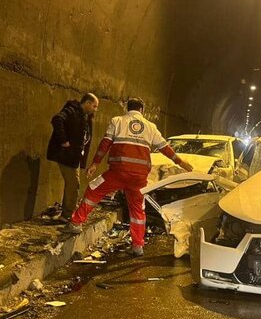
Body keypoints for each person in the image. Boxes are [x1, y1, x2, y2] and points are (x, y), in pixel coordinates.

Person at [59, 97, 193, 256]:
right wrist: (180, 162)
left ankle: (76, 223)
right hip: (139, 177)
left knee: (93, 190)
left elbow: (105, 144)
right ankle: (138, 246)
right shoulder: (151, 127)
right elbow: (165, 148)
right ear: (142, 110)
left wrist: (95, 163)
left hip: (117, 172)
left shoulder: (117, 121)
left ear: (127, 108)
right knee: (137, 210)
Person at [47, 93, 99, 222]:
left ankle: (68, 212)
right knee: (73, 184)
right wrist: (64, 141)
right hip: (67, 155)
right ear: (87, 103)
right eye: (94, 106)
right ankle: (67, 215)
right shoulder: (72, 110)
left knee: (73, 184)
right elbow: (57, 120)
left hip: (74, 156)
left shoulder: (86, 116)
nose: (95, 109)